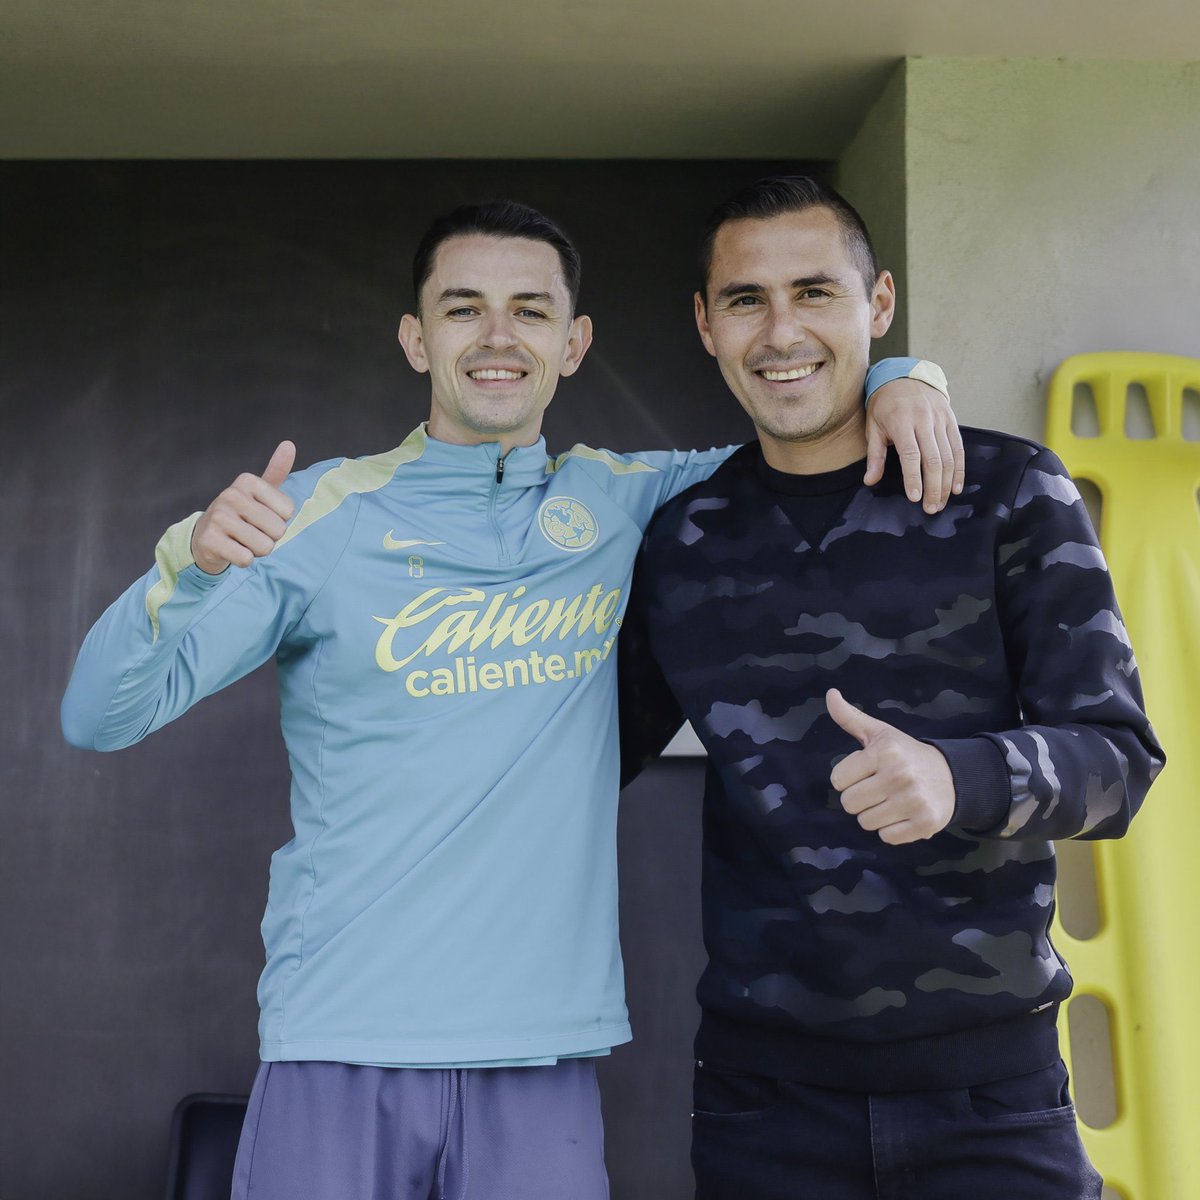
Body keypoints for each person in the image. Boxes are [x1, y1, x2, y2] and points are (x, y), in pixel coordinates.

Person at [60, 198, 960, 1199]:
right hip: (340, 1034)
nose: (498, 337)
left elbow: (804, 440)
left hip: (542, 1053)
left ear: (574, 344)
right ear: (416, 338)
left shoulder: (627, 499)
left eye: (530, 311)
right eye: (463, 309)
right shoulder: (320, 512)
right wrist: (186, 563)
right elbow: (98, 716)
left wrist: (900, 376)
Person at [619, 176, 1164, 1200]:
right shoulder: (682, 543)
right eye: (747, 300)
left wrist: (963, 779)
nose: (781, 331)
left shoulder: (1009, 492)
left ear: (878, 306)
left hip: (991, 1096)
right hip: (765, 1107)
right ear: (705, 324)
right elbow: (581, 752)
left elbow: (1119, 763)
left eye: (815, 292)